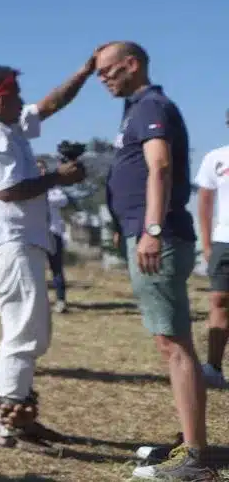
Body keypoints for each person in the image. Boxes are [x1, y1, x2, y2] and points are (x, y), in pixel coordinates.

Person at [96, 42, 215, 479]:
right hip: (145, 233)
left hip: (158, 238)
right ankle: (190, 442)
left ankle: (195, 461)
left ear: (133, 65)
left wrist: (151, 229)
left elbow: (159, 166)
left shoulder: (152, 105)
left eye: (108, 71)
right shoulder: (137, 108)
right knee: (169, 341)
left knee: (174, 344)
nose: (103, 79)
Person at [0, 59, 91, 453]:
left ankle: (22, 416)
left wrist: (82, 73)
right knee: (22, 334)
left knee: (30, 331)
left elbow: (49, 105)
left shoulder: (4, 126)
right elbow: (9, 190)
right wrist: (58, 178)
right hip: (10, 241)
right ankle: (11, 423)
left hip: (18, 241)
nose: (23, 102)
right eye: (15, 95)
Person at [194, 113, 229, 391]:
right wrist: (206, 244)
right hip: (224, 241)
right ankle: (214, 368)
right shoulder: (215, 158)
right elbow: (205, 204)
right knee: (219, 299)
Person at [39, 158, 70, 314]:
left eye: (42, 168)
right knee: (36, 269)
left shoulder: (54, 188)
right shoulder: (30, 188)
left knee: (56, 268)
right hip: (36, 233)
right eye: (37, 169)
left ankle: (61, 300)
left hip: (53, 231)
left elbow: (63, 200)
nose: (41, 171)